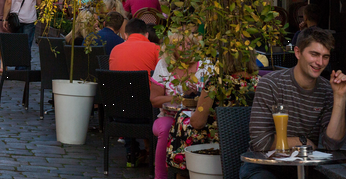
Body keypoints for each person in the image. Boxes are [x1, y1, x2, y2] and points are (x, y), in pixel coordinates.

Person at [240, 28, 346, 179]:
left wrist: (339, 97)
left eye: (325, 57)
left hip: (303, 167)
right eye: (314, 54)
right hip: (264, 166)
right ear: (298, 53)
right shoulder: (271, 84)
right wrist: (302, 141)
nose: (320, 62)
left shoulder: (327, 90)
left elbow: (332, 145)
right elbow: (260, 142)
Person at [167, 51, 258, 173]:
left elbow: (198, 123)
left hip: (218, 143)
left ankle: (179, 169)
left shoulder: (217, 83)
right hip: (250, 141)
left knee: (181, 119)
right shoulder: (260, 83)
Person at [148, 30, 212, 179]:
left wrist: (197, 93)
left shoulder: (205, 65)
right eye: (181, 45)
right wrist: (176, 98)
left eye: (189, 43)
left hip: (199, 116)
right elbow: (154, 100)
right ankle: (162, 176)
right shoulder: (163, 65)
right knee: (166, 129)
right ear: (172, 49)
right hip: (169, 115)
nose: (186, 47)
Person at [109, 19, 161, 167]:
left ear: (126, 35)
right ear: (146, 34)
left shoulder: (115, 50)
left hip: (118, 111)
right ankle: (154, 152)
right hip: (147, 112)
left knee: (126, 95)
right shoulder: (155, 49)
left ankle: (132, 151)